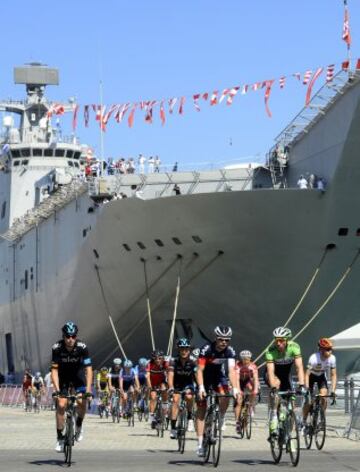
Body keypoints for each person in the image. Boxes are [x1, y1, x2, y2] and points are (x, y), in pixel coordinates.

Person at [196, 326, 238, 457]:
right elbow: (199, 370)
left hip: (219, 376)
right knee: (202, 409)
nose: (224, 342)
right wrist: (201, 387)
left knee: (225, 396)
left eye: (227, 340)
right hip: (205, 377)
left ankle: (221, 416)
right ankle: (200, 444)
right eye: (221, 340)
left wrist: (236, 388)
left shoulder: (230, 351)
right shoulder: (206, 349)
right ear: (216, 339)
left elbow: (231, 372)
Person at [51, 321, 93, 452]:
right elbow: (54, 371)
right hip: (63, 377)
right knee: (62, 405)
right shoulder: (57, 348)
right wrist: (57, 391)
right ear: (63, 337)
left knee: (82, 401)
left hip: (77, 376)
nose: (70, 339)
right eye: (68, 337)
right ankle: (60, 438)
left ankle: (79, 425)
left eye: (73, 336)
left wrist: (88, 390)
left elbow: (89, 370)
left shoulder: (82, 347)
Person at [265, 327, 305, 436]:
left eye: (281, 340)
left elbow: (299, 367)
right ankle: (273, 415)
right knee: (277, 387)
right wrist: (273, 387)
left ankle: (289, 434)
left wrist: (301, 384)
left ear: (287, 340)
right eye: (276, 340)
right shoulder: (270, 351)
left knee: (291, 403)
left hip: (286, 376)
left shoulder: (294, 347)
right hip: (273, 375)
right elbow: (271, 371)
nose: (278, 343)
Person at [167, 338, 197, 439]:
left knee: (189, 397)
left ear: (189, 350)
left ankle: (190, 418)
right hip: (177, 384)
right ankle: (173, 428)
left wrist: (199, 387)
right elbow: (170, 375)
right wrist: (171, 387)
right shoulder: (173, 361)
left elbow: (197, 374)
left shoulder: (193, 361)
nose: (184, 352)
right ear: (178, 350)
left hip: (188, 383)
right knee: (175, 400)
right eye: (181, 349)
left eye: (186, 349)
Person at [302, 337, 336, 424]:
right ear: (321, 349)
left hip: (321, 376)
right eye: (327, 349)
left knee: (324, 397)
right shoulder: (313, 358)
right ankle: (304, 420)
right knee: (309, 401)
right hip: (311, 377)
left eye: (331, 349)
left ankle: (322, 418)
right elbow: (307, 375)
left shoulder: (332, 358)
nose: (330, 351)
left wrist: (333, 390)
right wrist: (307, 389)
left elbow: (334, 375)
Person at [234, 350, 259, 434]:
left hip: (247, 381)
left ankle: (251, 406)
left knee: (252, 389)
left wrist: (255, 390)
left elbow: (255, 379)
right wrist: (238, 390)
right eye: (243, 359)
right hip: (239, 382)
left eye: (247, 359)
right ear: (241, 359)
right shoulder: (238, 365)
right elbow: (236, 379)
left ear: (250, 359)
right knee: (239, 401)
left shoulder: (253, 366)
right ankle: (237, 422)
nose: (245, 361)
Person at [146, 349, 169, 428]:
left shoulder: (165, 363)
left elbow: (169, 374)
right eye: (156, 358)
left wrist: (169, 385)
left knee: (164, 390)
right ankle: (151, 416)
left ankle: (165, 408)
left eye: (160, 358)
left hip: (161, 382)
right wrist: (149, 386)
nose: (158, 360)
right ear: (153, 358)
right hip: (153, 383)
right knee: (153, 397)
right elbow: (147, 376)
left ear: (162, 358)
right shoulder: (150, 364)